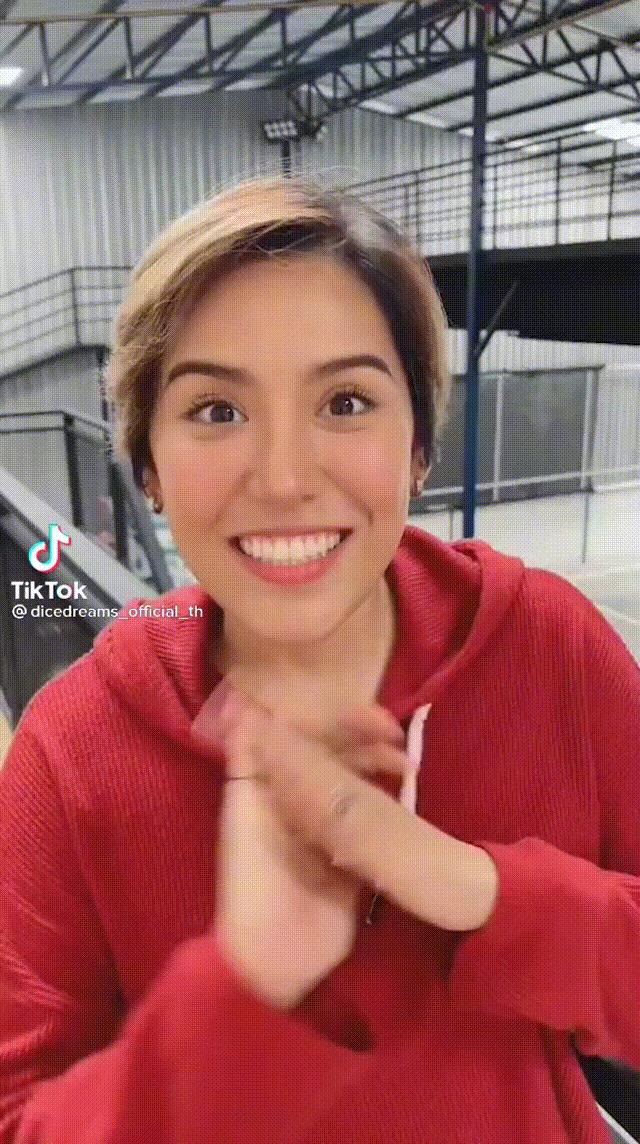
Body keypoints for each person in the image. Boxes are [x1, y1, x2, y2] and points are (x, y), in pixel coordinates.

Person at [0, 174, 638, 1144]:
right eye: (217, 410)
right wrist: (243, 993)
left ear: (418, 445)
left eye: (345, 400)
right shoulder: (70, 750)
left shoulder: (548, 646)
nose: (285, 478)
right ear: (149, 464)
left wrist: (478, 891)